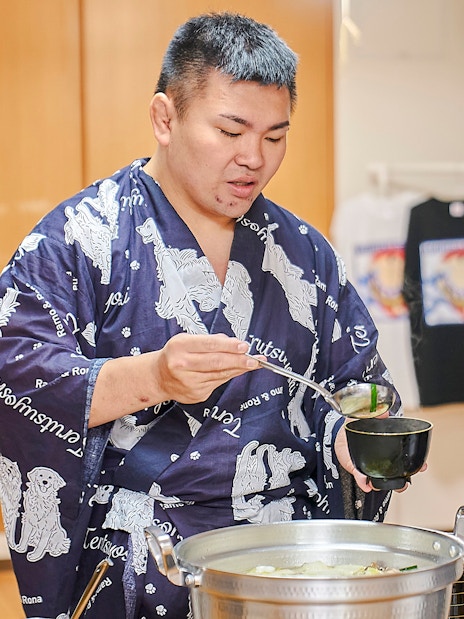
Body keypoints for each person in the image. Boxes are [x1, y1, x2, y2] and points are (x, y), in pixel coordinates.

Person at [0, 11, 406, 619]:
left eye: (274, 137)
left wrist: (355, 436)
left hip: (286, 565)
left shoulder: (302, 252)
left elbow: (358, 386)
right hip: (140, 564)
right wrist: (153, 378)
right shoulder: (80, 240)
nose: (254, 159)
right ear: (165, 118)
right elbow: (20, 376)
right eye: (231, 130)